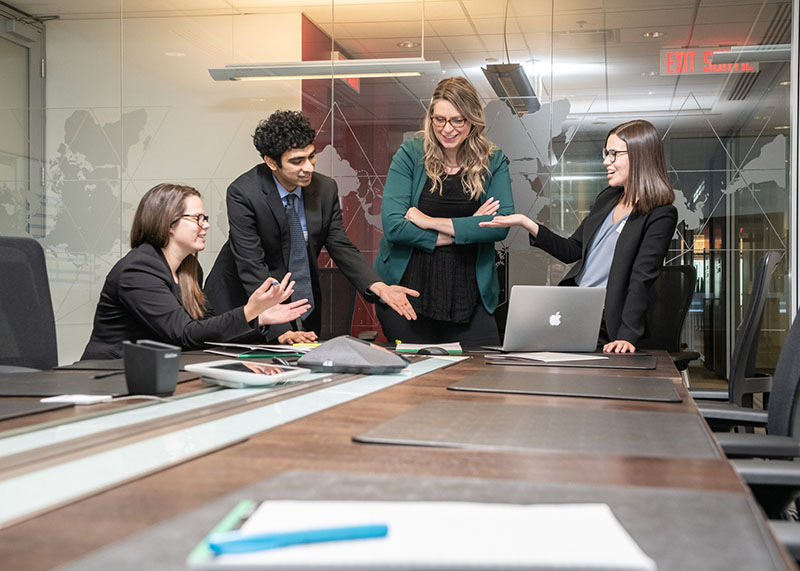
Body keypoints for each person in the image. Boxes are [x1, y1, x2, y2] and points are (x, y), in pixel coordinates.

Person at [204, 111, 418, 344]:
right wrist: (280, 330)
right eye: (297, 161)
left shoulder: (325, 189)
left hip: (297, 298)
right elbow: (251, 265)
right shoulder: (244, 193)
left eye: (311, 156)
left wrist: (378, 287)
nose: (308, 167)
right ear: (271, 162)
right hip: (242, 301)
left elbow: (341, 246)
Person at [481, 119, 678, 353]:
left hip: (610, 321)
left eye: (614, 154)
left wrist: (627, 336)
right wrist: (527, 223)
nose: (606, 161)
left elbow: (641, 278)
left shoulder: (661, 214)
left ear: (639, 155)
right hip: (574, 310)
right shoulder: (608, 198)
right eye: (606, 153)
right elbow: (572, 250)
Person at [81, 183, 309, 360]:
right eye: (197, 218)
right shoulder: (139, 269)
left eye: (205, 218)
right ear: (168, 223)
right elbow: (184, 334)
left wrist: (258, 319)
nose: (206, 225)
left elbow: (206, 331)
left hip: (155, 373)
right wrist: (249, 311)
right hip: (108, 376)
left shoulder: (189, 269)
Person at [374, 76, 514, 346]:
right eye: (439, 120)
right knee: (414, 384)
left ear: (472, 120)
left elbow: (501, 224)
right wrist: (467, 227)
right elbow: (394, 226)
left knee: (479, 375)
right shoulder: (411, 153)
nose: (447, 129)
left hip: (469, 295)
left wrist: (427, 221)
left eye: (457, 120)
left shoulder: (492, 159)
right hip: (409, 292)